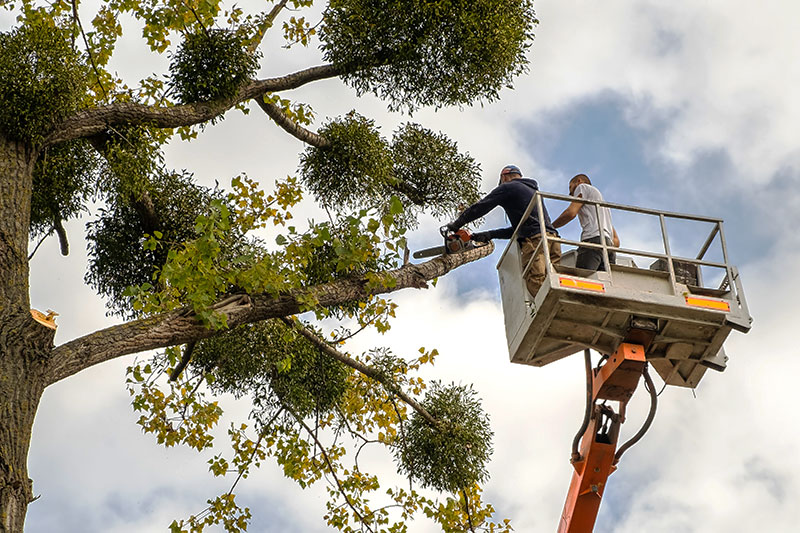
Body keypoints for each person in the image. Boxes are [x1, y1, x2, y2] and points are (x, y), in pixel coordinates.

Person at [447, 164, 561, 298]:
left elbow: (481, 207)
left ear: (504, 177)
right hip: (552, 240)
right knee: (554, 281)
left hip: (535, 241)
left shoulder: (508, 187)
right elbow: (518, 230)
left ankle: (552, 309)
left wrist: (457, 224)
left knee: (536, 281)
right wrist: (489, 235)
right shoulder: (532, 191)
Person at [551, 174, 619, 271]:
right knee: (602, 280)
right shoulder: (603, 207)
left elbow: (571, 213)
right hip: (609, 248)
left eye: (570, 187)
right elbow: (616, 241)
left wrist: (550, 227)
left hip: (593, 241)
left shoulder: (582, 187)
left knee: (583, 278)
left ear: (579, 181)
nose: (570, 194)